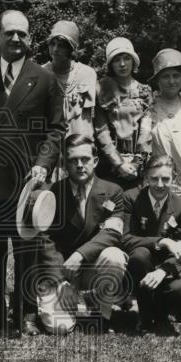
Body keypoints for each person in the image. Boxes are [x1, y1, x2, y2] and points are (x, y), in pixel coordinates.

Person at [0, 9, 66, 338]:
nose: (15, 39)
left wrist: (44, 163)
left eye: (22, 34)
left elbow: (56, 129)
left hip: (29, 183)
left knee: (27, 252)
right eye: (9, 33)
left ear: (30, 39)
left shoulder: (44, 78)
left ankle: (25, 314)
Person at [31, 134, 127, 335]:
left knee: (114, 256)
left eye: (85, 159)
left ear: (96, 161)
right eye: (73, 160)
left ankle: (101, 314)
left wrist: (79, 255)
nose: (80, 165)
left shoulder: (113, 191)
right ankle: (71, 302)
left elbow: (112, 232)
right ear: (65, 164)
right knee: (60, 327)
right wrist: (60, 281)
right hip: (62, 269)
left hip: (92, 265)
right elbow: (46, 240)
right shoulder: (53, 193)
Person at [121, 156, 181, 334]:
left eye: (165, 179)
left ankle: (162, 313)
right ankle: (145, 316)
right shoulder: (130, 198)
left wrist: (163, 271)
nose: (160, 184)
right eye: (154, 178)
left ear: (174, 178)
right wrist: (162, 241)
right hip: (138, 261)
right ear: (146, 177)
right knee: (139, 256)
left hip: (165, 263)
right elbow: (124, 238)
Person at [141, 48, 181, 200]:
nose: (171, 81)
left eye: (176, 76)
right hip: (159, 181)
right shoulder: (149, 107)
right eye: (165, 76)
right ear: (157, 80)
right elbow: (143, 146)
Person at [94, 36, 154, 190]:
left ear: (133, 61)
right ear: (110, 64)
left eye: (126, 58)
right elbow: (101, 131)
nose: (122, 64)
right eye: (116, 59)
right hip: (109, 163)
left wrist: (137, 162)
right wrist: (119, 163)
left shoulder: (144, 91)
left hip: (137, 166)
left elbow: (146, 130)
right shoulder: (102, 89)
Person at [41, 19, 98, 148]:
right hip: (50, 150)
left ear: (71, 48)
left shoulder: (87, 74)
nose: (55, 50)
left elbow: (93, 120)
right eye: (52, 44)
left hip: (81, 150)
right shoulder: (41, 74)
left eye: (61, 45)